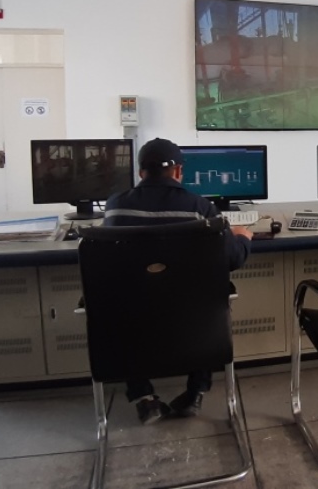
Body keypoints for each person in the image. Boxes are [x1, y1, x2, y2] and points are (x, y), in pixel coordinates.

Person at [103, 138, 254, 425]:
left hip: (132, 323)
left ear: (141, 172)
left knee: (125, 299)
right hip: (192, 323)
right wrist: (243, 238)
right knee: (208, 297)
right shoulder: (200, 208)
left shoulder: (115, 207)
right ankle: (196, 391)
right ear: (178, 172)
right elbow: (232, 259)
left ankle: (143, 397)